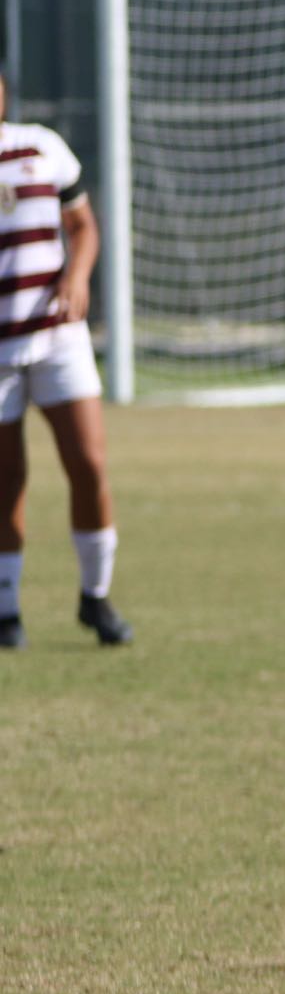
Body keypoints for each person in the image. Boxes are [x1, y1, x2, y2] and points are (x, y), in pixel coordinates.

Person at [0, 72, 130, 649]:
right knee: (5, 481)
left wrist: (77, 276)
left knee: (89, 463)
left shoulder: (41, 145)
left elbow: (82, 225)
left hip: (57, 339)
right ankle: (6, 611)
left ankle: (95, 598)